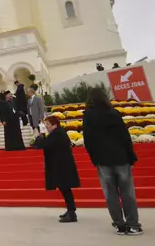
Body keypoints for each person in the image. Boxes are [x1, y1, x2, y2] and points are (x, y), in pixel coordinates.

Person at [82, 87, 142, 235]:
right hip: (120, 157)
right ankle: (133, 224)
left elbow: (88, 140)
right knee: (127, 192)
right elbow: (125, 136)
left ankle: (119, 224)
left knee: (110, 194)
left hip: (102, 159)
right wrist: (130, 155)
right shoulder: (114, 113)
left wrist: (94, 158)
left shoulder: (88, 115)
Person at [34, 115, 80, 223]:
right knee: (64, 189)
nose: (46, 126)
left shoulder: (57, 134)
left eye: (48, 124)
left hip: (62, 166)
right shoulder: (56, 133)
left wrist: (39, 136)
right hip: (61, 165)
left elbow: (43, 145)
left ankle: (71, 212)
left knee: (65, 188)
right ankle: (70, 210)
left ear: (54, 124)